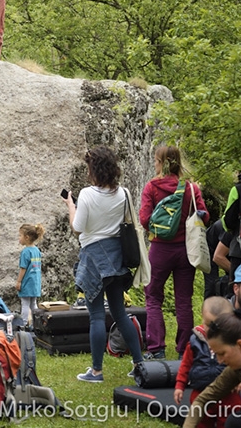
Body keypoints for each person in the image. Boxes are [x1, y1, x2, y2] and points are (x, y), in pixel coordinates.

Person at [66, 145, 144, 382]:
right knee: (121, 313)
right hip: (116, 255)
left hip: (93, 256)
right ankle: (139, 364)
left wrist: (71, 206)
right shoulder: (123, 193)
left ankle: (97, 371)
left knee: (97, 315)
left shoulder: (88, 194)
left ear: (94, 169)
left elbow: (78, 228)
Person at [139, 145, 209, 359]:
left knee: (153, 297)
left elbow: (144, 219)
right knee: (184, 301)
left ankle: (156, 349)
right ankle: (184, 350)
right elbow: (204, 217)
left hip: (160, 249)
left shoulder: (152, 187)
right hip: (185, 251)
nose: (154, 163)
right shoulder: (190, 188)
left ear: (161, 162)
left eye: (155, 160)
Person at [182, 306, 241, 428]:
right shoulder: (239, 367)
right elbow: (202, 400)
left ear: (240, 345)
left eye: (222, 354)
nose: (220, 361)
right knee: (236, 422)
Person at [173, 297, 241, 428]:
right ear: (202, 318)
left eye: (219, 326)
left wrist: (240, 381)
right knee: (201, 422)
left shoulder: (235, 341)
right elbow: (186, 365)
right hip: (201, 390)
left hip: (228, 393)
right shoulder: (195, 341)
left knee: (229, 422)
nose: (213, 331)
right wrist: (179, 385)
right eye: (210, 325)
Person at [16, 223, 44, 328]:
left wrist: (19, 282)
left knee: (25, 304)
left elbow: (23, 268)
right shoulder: (36, 250)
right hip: (35, 283)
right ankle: (37, 325)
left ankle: (23, 325)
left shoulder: (25, 252)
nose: (19, 238)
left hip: (27, 283)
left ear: (26, 238)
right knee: (33, 304)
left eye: (20, 236)